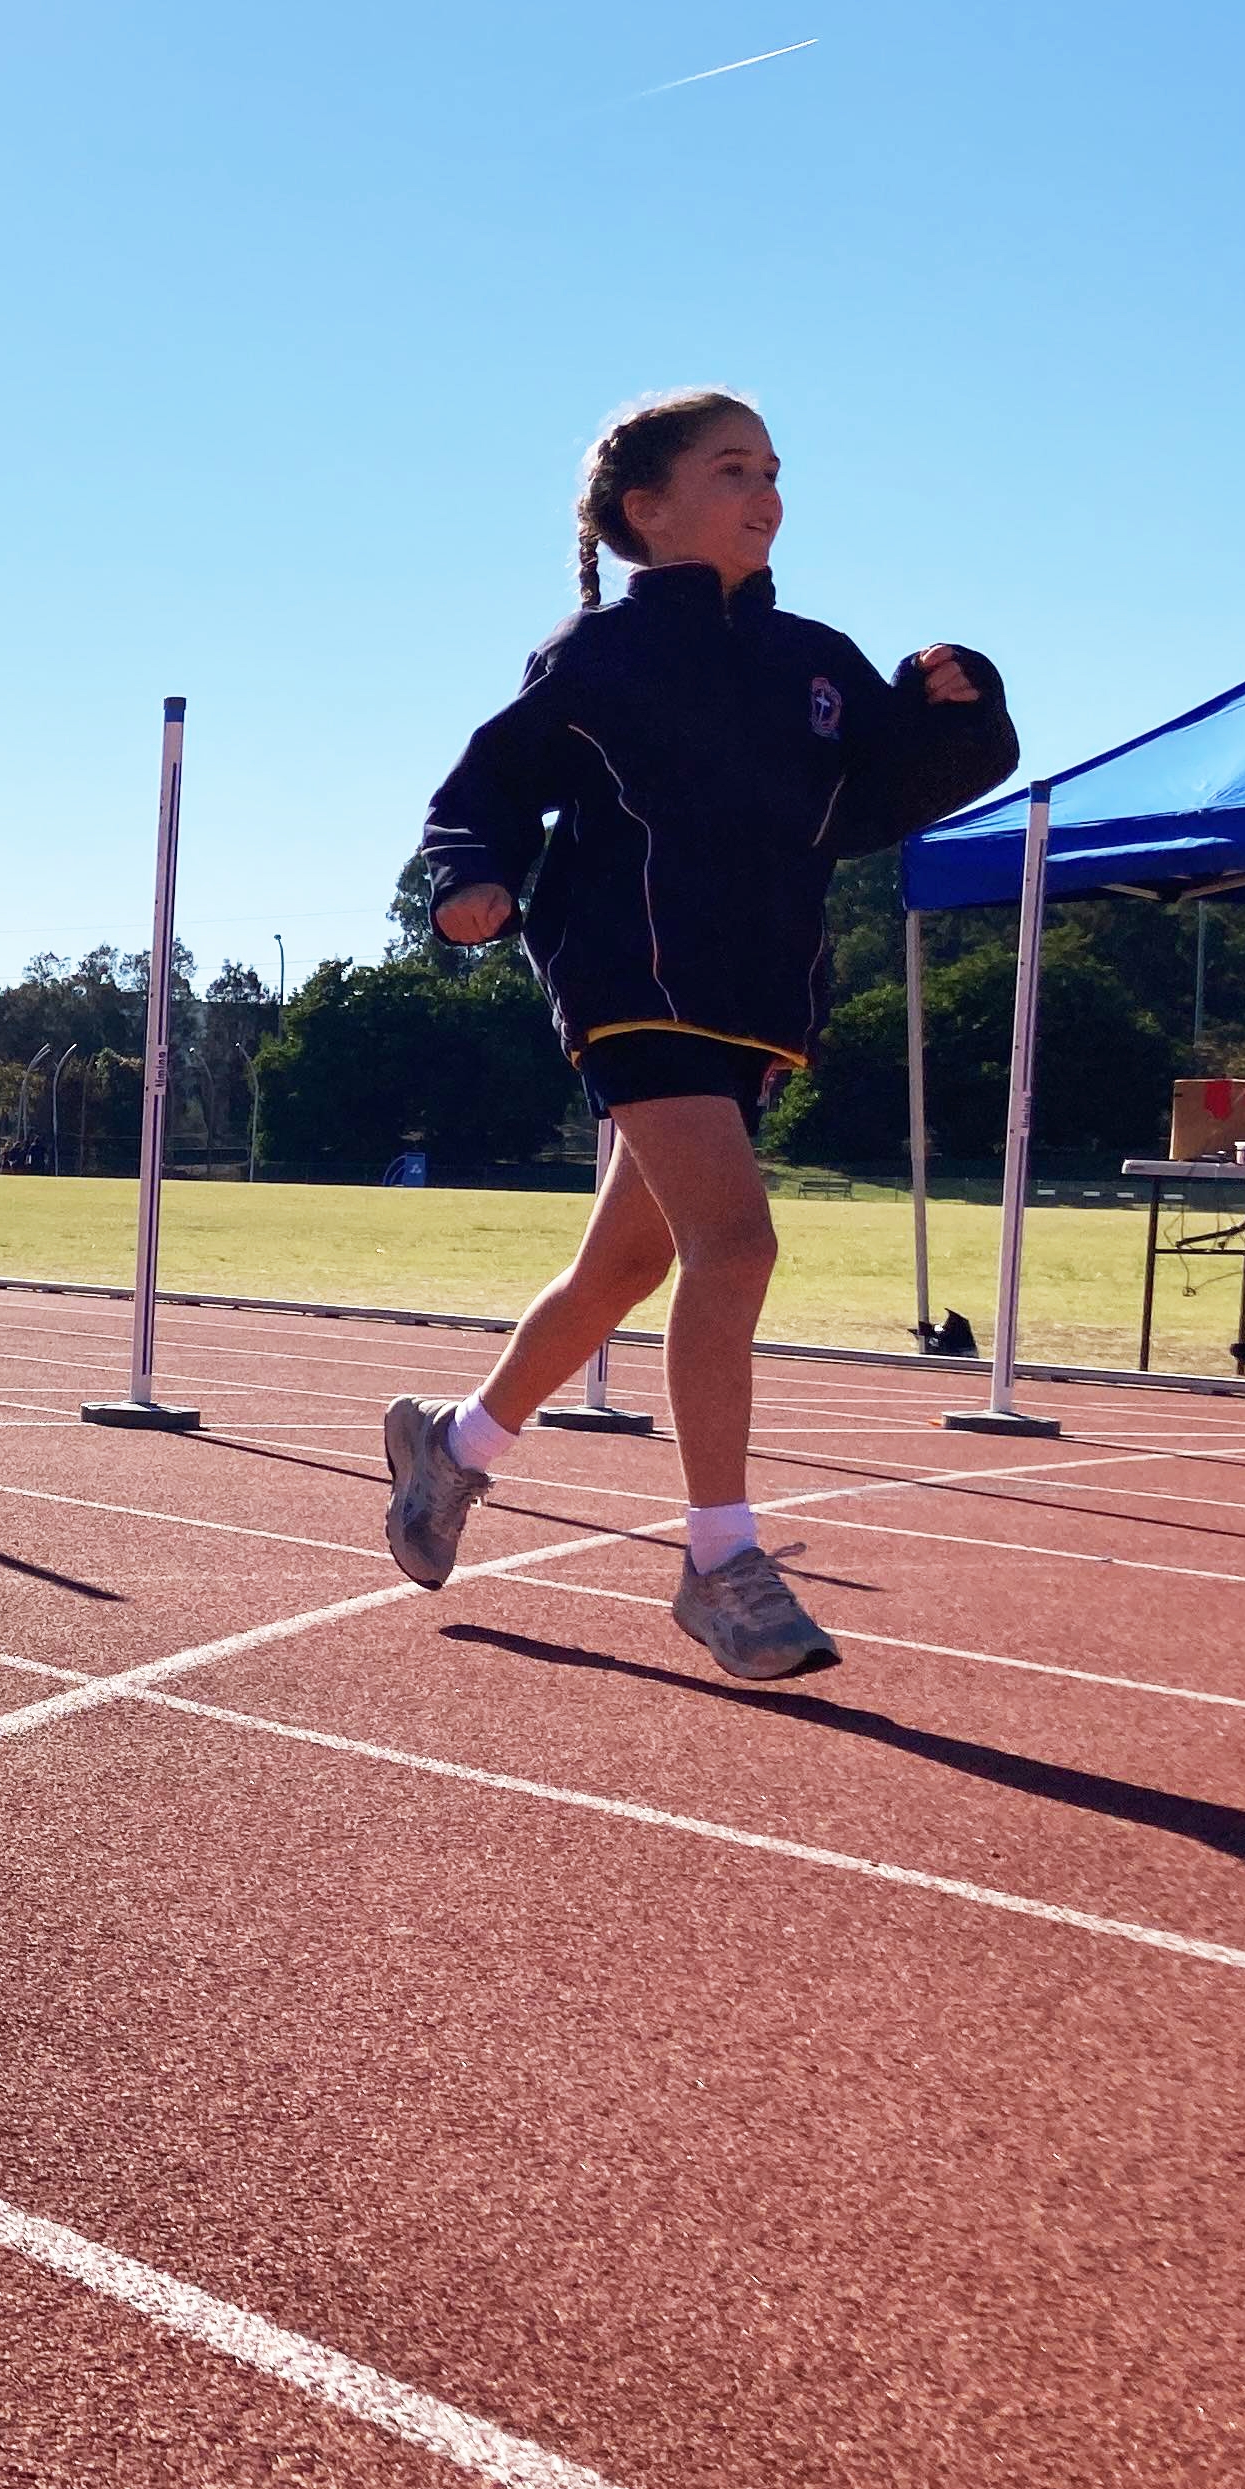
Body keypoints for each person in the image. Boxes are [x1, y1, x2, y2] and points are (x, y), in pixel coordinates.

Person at [381, 389, 1014, 1681]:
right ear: (645, 509)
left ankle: (453, 1449)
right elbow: (489, 784)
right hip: (630, 979)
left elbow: (884, 796)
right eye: (733, 469)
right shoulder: (600, 656)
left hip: (757, 1006)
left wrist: (959, 709)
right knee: (738, 1241)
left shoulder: (818, 663)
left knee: (622, 1270)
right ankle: (720, 1562)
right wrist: (469, 879)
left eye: (774, 469)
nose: (766, 491)